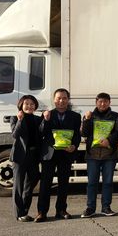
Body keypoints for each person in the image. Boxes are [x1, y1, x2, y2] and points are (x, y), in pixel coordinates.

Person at [37, 88, 81, 222]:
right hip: (49, 154)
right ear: (54, 100)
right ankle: (42, 212)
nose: (61, 101)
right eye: (58, 98)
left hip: (66, 154)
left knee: (64, 184)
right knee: (45, 184)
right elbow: (41, 133)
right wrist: (45, 120)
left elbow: (77, 135)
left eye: (64, 98)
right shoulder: (47, 114)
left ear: (68, 100)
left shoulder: (75, 116)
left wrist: (74, 146)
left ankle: (61, 210)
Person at [80, 92, 118, 218]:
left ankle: (106, 207)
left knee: (108, 182)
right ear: (96, 102)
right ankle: (90, 208)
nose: (102, 104)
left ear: (109, 102)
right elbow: (84, 134)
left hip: (109, 154)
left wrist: (109, 140)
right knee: (92, 182)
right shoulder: (89, 116)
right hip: (92, 155)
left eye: (105, 101)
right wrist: (86, 120)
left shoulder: (116, 116)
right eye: (100, 101)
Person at [11, 95, 42, 222]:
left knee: (32, 181)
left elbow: (42, 133)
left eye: (32, 104)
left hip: (34, 155)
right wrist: (19, 120)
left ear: (35, 106)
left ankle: (25, 210)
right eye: (26, 104)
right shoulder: (15, 118)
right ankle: (19, 213)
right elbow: (15, 134)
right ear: (21, 106)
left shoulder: (37, 119)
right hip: (20, 156)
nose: (29, 106)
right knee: (18, 185)